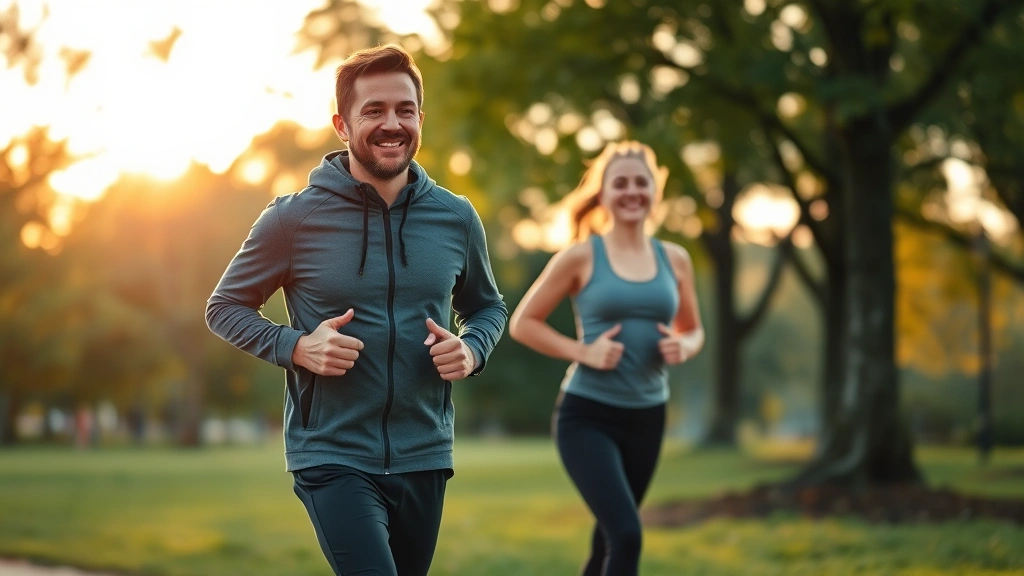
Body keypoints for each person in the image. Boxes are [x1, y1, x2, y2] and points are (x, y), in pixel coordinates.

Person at [205, 44, 507, 576]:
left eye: (405, 110)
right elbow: (225, 306)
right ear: (343, 125)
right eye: (374, 111)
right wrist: (296, 346)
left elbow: (488, 308)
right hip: (331, 452)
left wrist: (472, 350)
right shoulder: (292, 220)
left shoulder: (456, 218)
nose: (392, 124)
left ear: (419, 118)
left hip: (425, 453)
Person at [508, 141, 704, 576]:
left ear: (655, 190)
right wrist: (583, 351)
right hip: (587, 416)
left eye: (641, 182)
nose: (632, 191)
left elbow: (693, 329)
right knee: (628, 535)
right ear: (604, 193)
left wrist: (684, 346)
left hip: (648, 416)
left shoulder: (676, 259)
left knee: (606, 545)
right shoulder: (581, 256)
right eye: (621, 183)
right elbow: (523, 323)